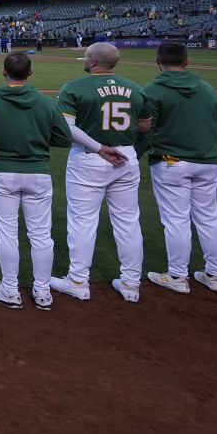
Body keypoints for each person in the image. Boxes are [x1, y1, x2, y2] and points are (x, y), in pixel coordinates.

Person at [51, 42, 153, 303]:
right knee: (128, 222)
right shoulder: (135, 88)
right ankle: (131, 284)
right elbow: (145, 125)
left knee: (83, 221)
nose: (84, 60)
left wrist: (98, 147)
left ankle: (77, 281)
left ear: (94, 62)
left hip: (90, 157)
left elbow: (67, 127)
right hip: (126, 157)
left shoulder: (74, 87)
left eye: (86, 57)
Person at [0, 52, 72, 310]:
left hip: (2, 173)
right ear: (30, 73)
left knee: (7, 234)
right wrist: (34, 138)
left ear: (4, 72)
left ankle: (10, 289)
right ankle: (42, 291)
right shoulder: (46, 103)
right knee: (41, 236)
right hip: (38, 173)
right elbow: (64, 138)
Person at [142, 42, 217, 294]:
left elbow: (145, 130)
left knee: (176, 220)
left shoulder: (152, 90)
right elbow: (216, 122)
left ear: (158, 61)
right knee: (209, 218)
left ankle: (178, 276)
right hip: (207, 161)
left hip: (171, 162)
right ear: (186, 61)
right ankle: (216, 275)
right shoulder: (207, 88)